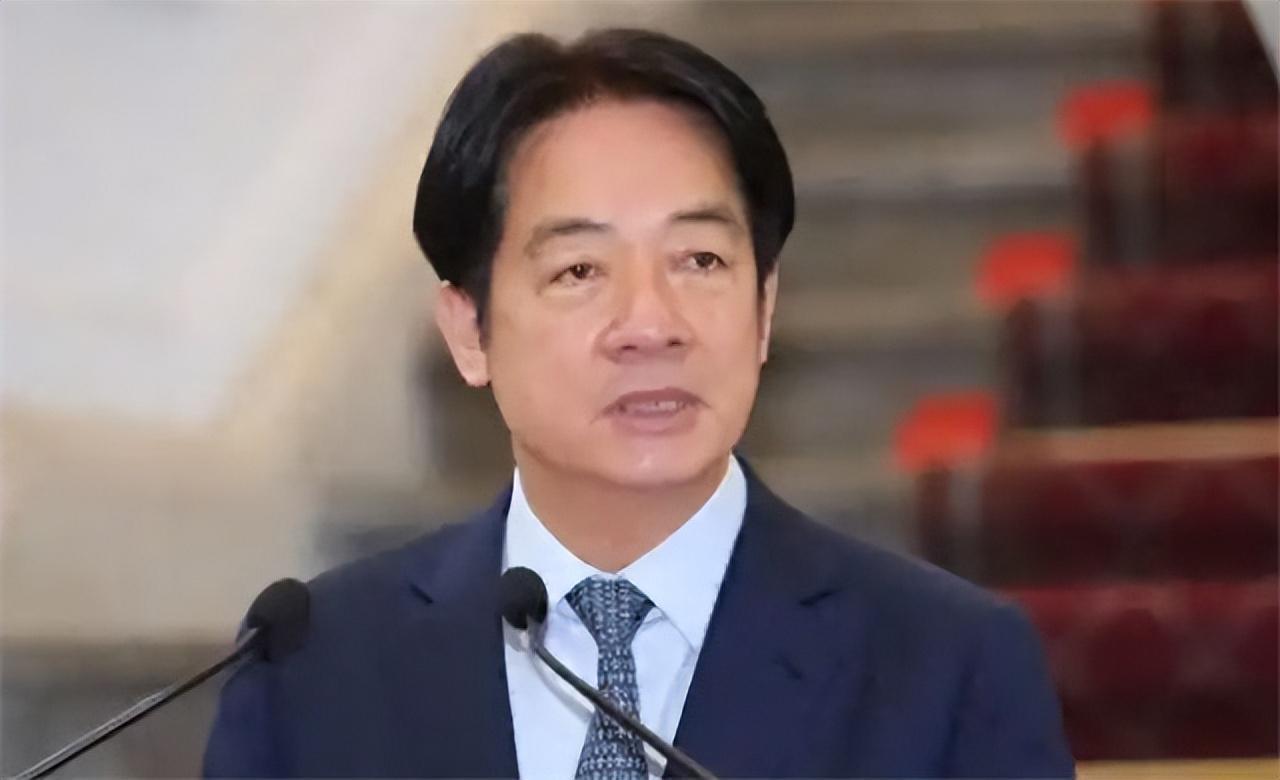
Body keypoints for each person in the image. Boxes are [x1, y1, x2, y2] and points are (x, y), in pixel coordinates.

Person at [203, 28, 1074, 779]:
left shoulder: (945, 668)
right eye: (579, 270)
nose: (651, 324)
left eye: (700, 261)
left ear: (765, 310)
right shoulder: (313, 666)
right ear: (469, 331)